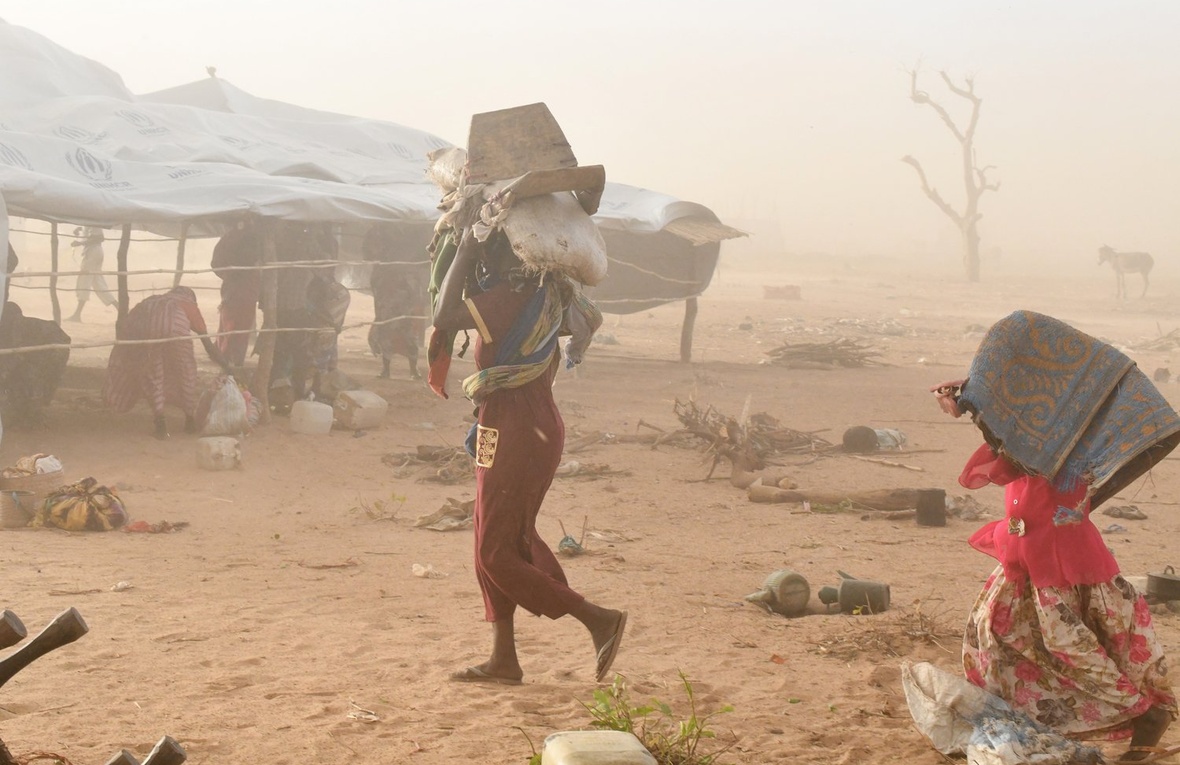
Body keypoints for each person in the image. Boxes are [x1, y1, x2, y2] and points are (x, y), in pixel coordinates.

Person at [932, 310, 1178, 762]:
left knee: (1074, 648)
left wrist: (973, 405)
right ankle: (1019, 722)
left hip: (1062, 562)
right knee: (995, 636)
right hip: (1022, 555)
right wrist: (970, 402)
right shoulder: (1035, 441)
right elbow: (1003, 447)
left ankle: (1143, 715)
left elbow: (1012, 449)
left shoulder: (1073, 447)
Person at [431, 226, 624, 686]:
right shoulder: (540, 295)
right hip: (511, 425)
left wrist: (461, 250)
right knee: (492, 539)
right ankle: (504, 659)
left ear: (505, 257)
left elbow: (442, 313)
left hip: (520, 428)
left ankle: (598, 619)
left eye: (485, 256)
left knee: (496, 551)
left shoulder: (509, 300)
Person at [103, 286, 228, 439]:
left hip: (146, 329)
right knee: (185, 370)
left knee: (153, 372)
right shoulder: (187, 305)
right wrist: (226, 366)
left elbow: (128, 325)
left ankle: (160, 424)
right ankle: (189, 420)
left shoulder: (151, 301)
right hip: (176, 327)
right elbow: (207, 344)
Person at [362, 223, 425, 380]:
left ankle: (412, 368)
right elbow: (369, 254)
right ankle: (387, 368)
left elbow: (424, 256)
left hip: (406, 288)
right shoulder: (379, 230)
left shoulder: (414, 231)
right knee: (386, 325)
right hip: (387, 287)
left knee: (409, 327)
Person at [0, 301, 71, 428]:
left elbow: (18, 353)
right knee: (26, 378)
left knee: (32, 379)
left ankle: (30, 418)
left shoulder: (17, 326)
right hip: (47, 349)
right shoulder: (15, 326)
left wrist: (6, 373)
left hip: (54, 349)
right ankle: (27, 414)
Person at [211, 220, 262, 367]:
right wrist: (234, 275)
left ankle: (228, 358)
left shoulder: (234, 237)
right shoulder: (241, 238)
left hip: (238, 291)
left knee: (233, 328)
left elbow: (216, 264)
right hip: (239, 291)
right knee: (235, 329)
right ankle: (230, 361)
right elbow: (217, 264)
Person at [67, 226, 117, 322]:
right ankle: (119, 307)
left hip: (93, 252)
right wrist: (80, 231)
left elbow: (100, 238)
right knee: (98, 283)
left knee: (84, 281)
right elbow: (91, 235)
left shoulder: (92, 220)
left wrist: (80, 242)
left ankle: (77, 315)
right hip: (94, 252)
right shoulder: (88, 221)